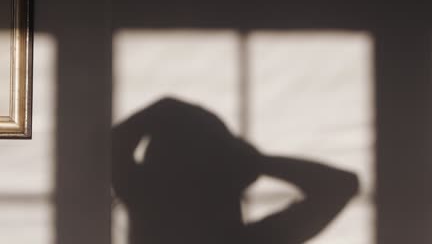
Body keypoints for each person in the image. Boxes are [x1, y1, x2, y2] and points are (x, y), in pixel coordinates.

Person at [112, 97, 359, 244]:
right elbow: (339, 186)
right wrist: (257, 162)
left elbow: (112, 147)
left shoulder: (141, 197)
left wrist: (163, 110)